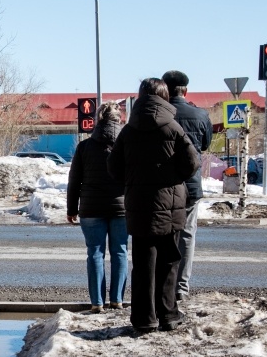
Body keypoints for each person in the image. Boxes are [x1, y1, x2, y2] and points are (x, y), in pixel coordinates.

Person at [108, 78, 200, 335]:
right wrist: (172, 178)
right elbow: (192, 162)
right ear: (164, 97)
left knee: (143, 263)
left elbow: (113, 168)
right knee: (169, 261)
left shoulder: (128, 130)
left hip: (139, 205)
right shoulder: (172, 127)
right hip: (170, 205)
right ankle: (168, 315)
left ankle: (143, 318)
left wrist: (133, 180)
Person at [67, 102, 128, 313]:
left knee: (95, 253)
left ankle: (97, 303)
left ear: (98, 119)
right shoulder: (127, 144)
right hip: (122, 207)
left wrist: (71, 209)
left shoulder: (84, 147)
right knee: (120, 251)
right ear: (119, 118)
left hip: (91, 208)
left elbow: (74, 181)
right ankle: (117, 300)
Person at [163, 70, 213, 302]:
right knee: (187, 236)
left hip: (164, 186)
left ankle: (165, 286)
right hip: (191, 186)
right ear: (186, 90)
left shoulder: (161, 115)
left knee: (165, 235)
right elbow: (204, 145)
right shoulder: (200, 115)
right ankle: (182, 288)